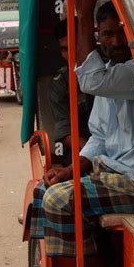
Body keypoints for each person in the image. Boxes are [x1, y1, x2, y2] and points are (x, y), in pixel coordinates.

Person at [31, 0, 134, 267]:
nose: (115, 42)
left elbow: (92, 79)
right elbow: (99, 137)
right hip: (112, 173)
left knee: (59, 201)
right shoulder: (110, 73)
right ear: (99, 37)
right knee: (42, 190)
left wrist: (83, 14)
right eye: (107, 34)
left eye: (121, 33)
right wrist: (72, 168)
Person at [47, 18, 94, 167]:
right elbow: (66, 135)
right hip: (81, 150)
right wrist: (97, 153)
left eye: (75, 46)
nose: (70, 54)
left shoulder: (111, 70)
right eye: (64, 49)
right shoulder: (59, 84)